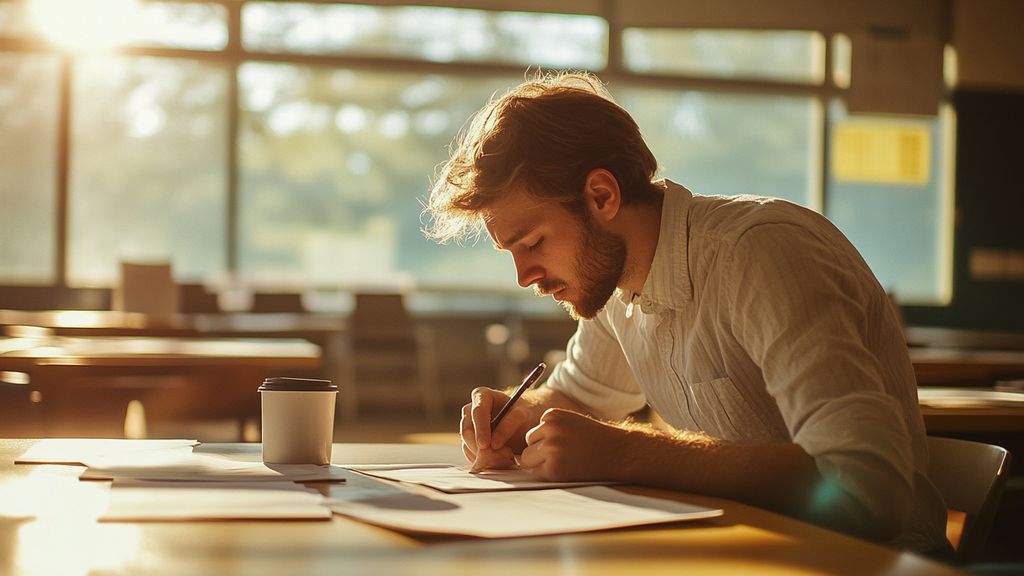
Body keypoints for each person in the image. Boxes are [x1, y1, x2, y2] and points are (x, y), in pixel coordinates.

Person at [423, 72, 949, 554]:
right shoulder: (613, 284)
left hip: (859, 558)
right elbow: (578, 396)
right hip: (737, 547)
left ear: (602, 195)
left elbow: (867, 487)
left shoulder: (760, 255)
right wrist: (523, 415)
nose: (524, 277)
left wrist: (627, 452)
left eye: (534, 242)